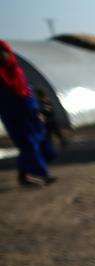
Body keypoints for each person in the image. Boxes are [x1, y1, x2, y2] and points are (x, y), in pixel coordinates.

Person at [0, 40, 53, 187]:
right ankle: (41, 174)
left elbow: (26, 93)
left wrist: (37, 111)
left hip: (28, 112)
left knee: (33, 142)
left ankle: (25, 175)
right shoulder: (3, 76)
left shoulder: (16, 71)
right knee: (28, 143)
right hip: (14, 114)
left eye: (4, 52)